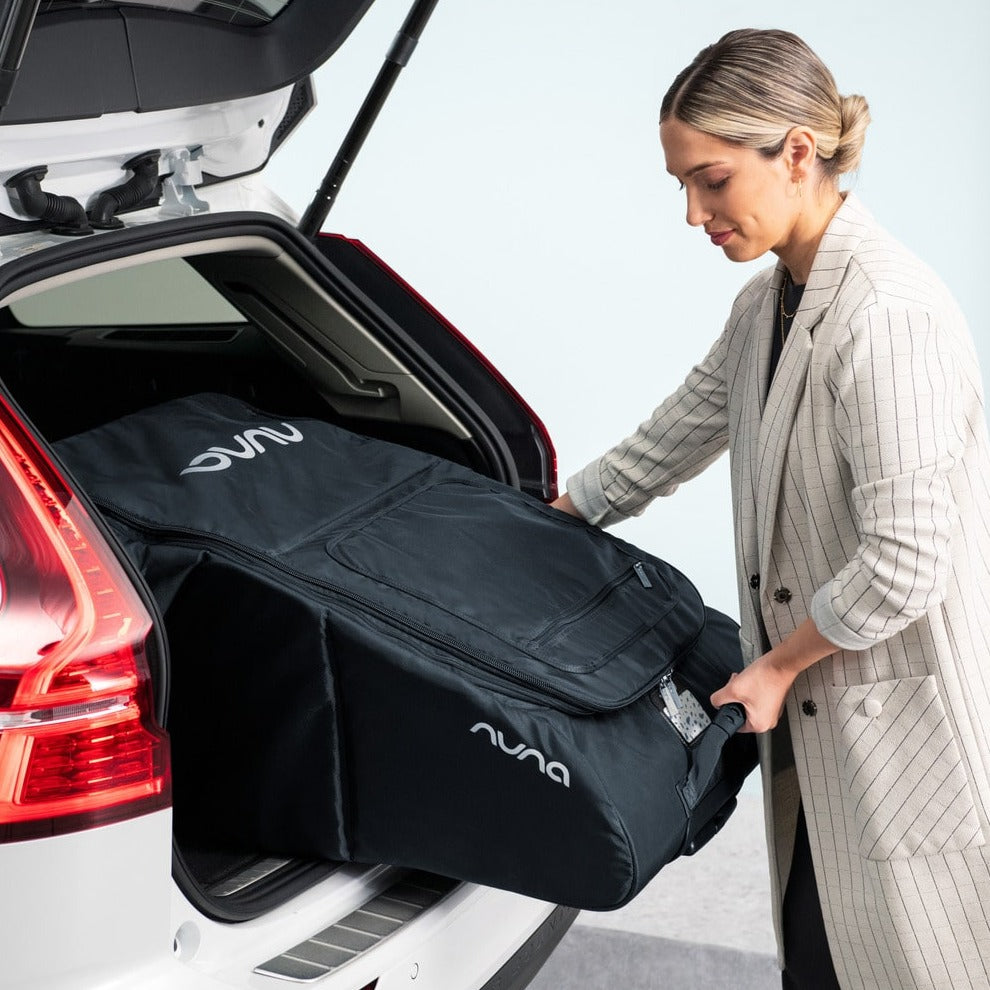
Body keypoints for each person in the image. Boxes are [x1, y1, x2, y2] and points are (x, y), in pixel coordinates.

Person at [551, 28, 990, 990]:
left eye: (710, 180)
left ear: (796, 151)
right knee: (827, 956)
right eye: (682, 185)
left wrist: (778, 667)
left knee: (916, 962)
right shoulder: (769, 304)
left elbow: (907, 562)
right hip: (822, 720)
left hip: (899, 730)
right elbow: (682, 429)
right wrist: (557, 510)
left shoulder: (888, 316)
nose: (692, 211)